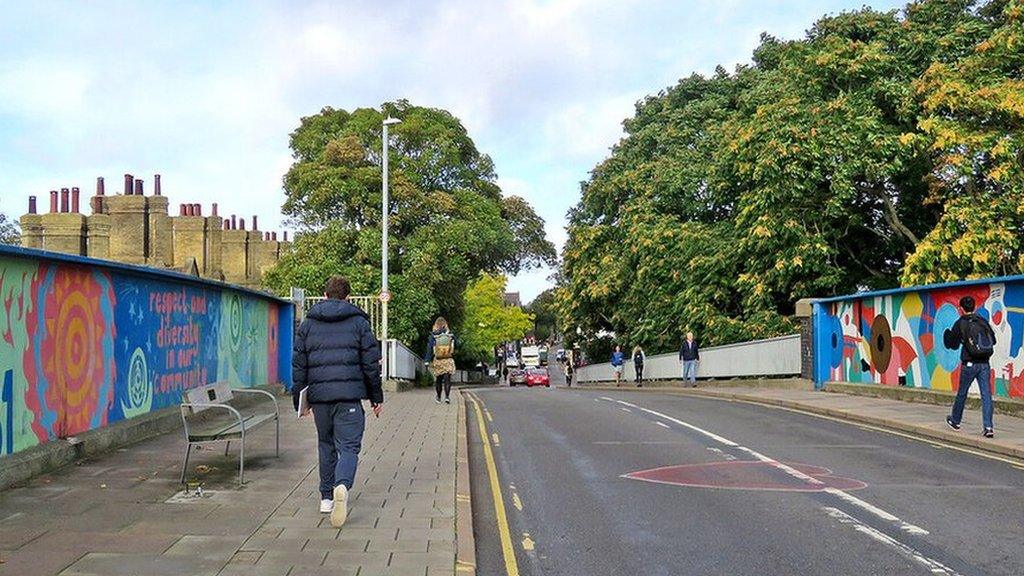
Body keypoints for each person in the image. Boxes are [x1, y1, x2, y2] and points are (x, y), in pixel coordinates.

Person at [292, 275, 383, 528]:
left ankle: (325, 497)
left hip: (319, 398)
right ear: (348, 297)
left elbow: (299, 363)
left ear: (324, 295)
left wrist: (299, 399)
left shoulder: (308, 323)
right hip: (350, 396)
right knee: (349, 447)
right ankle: (342, 485)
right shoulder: (359, 322)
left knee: (325, 444)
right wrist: (376, 397)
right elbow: (370, 363)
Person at [944, 296, 997, 438]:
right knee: (986, 395)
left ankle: (955, 420)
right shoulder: (982, 321)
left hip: (969, 364)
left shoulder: (961, 323)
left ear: (961, 309)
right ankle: (988, 426)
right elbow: (994, 340)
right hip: (984, 363)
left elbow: (952, 344)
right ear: (974, 307)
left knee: (962, 393)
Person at [426, 317, 456, 404]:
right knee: (447, 379)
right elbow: (458, 344)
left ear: (436, 325)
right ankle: (447, 397)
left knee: (438, 380)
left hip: (438, 359)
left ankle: (438, 397)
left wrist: (427, 360)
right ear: (445, 324)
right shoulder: (450, 334)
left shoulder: (434, 335)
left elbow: (429, 348)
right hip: (448, 359)